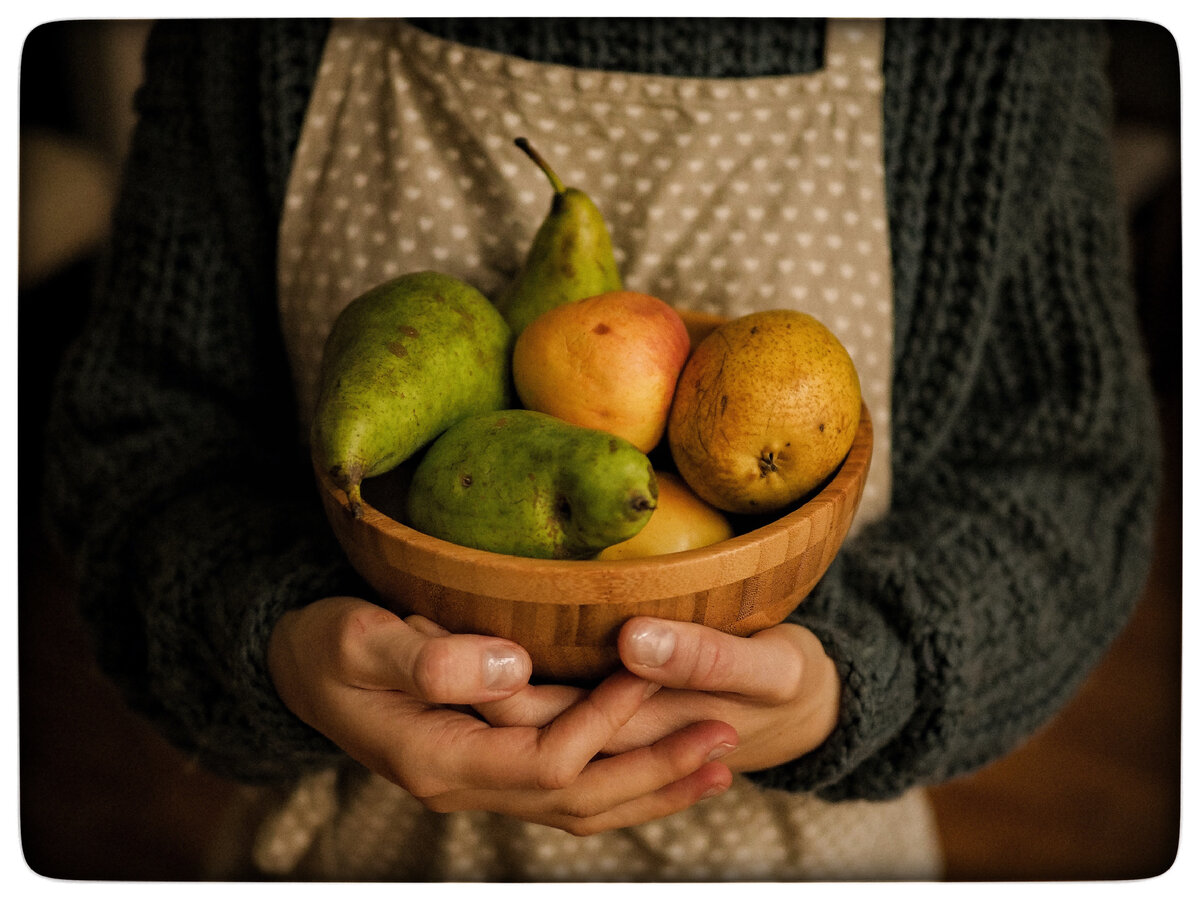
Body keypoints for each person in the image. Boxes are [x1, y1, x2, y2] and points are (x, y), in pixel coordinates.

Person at [43, 18, 1161, 880]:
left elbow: (1071, 473)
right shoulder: (252, 31)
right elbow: (141, 441)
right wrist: (278, 648)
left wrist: (852, 680)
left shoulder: (987, 40)